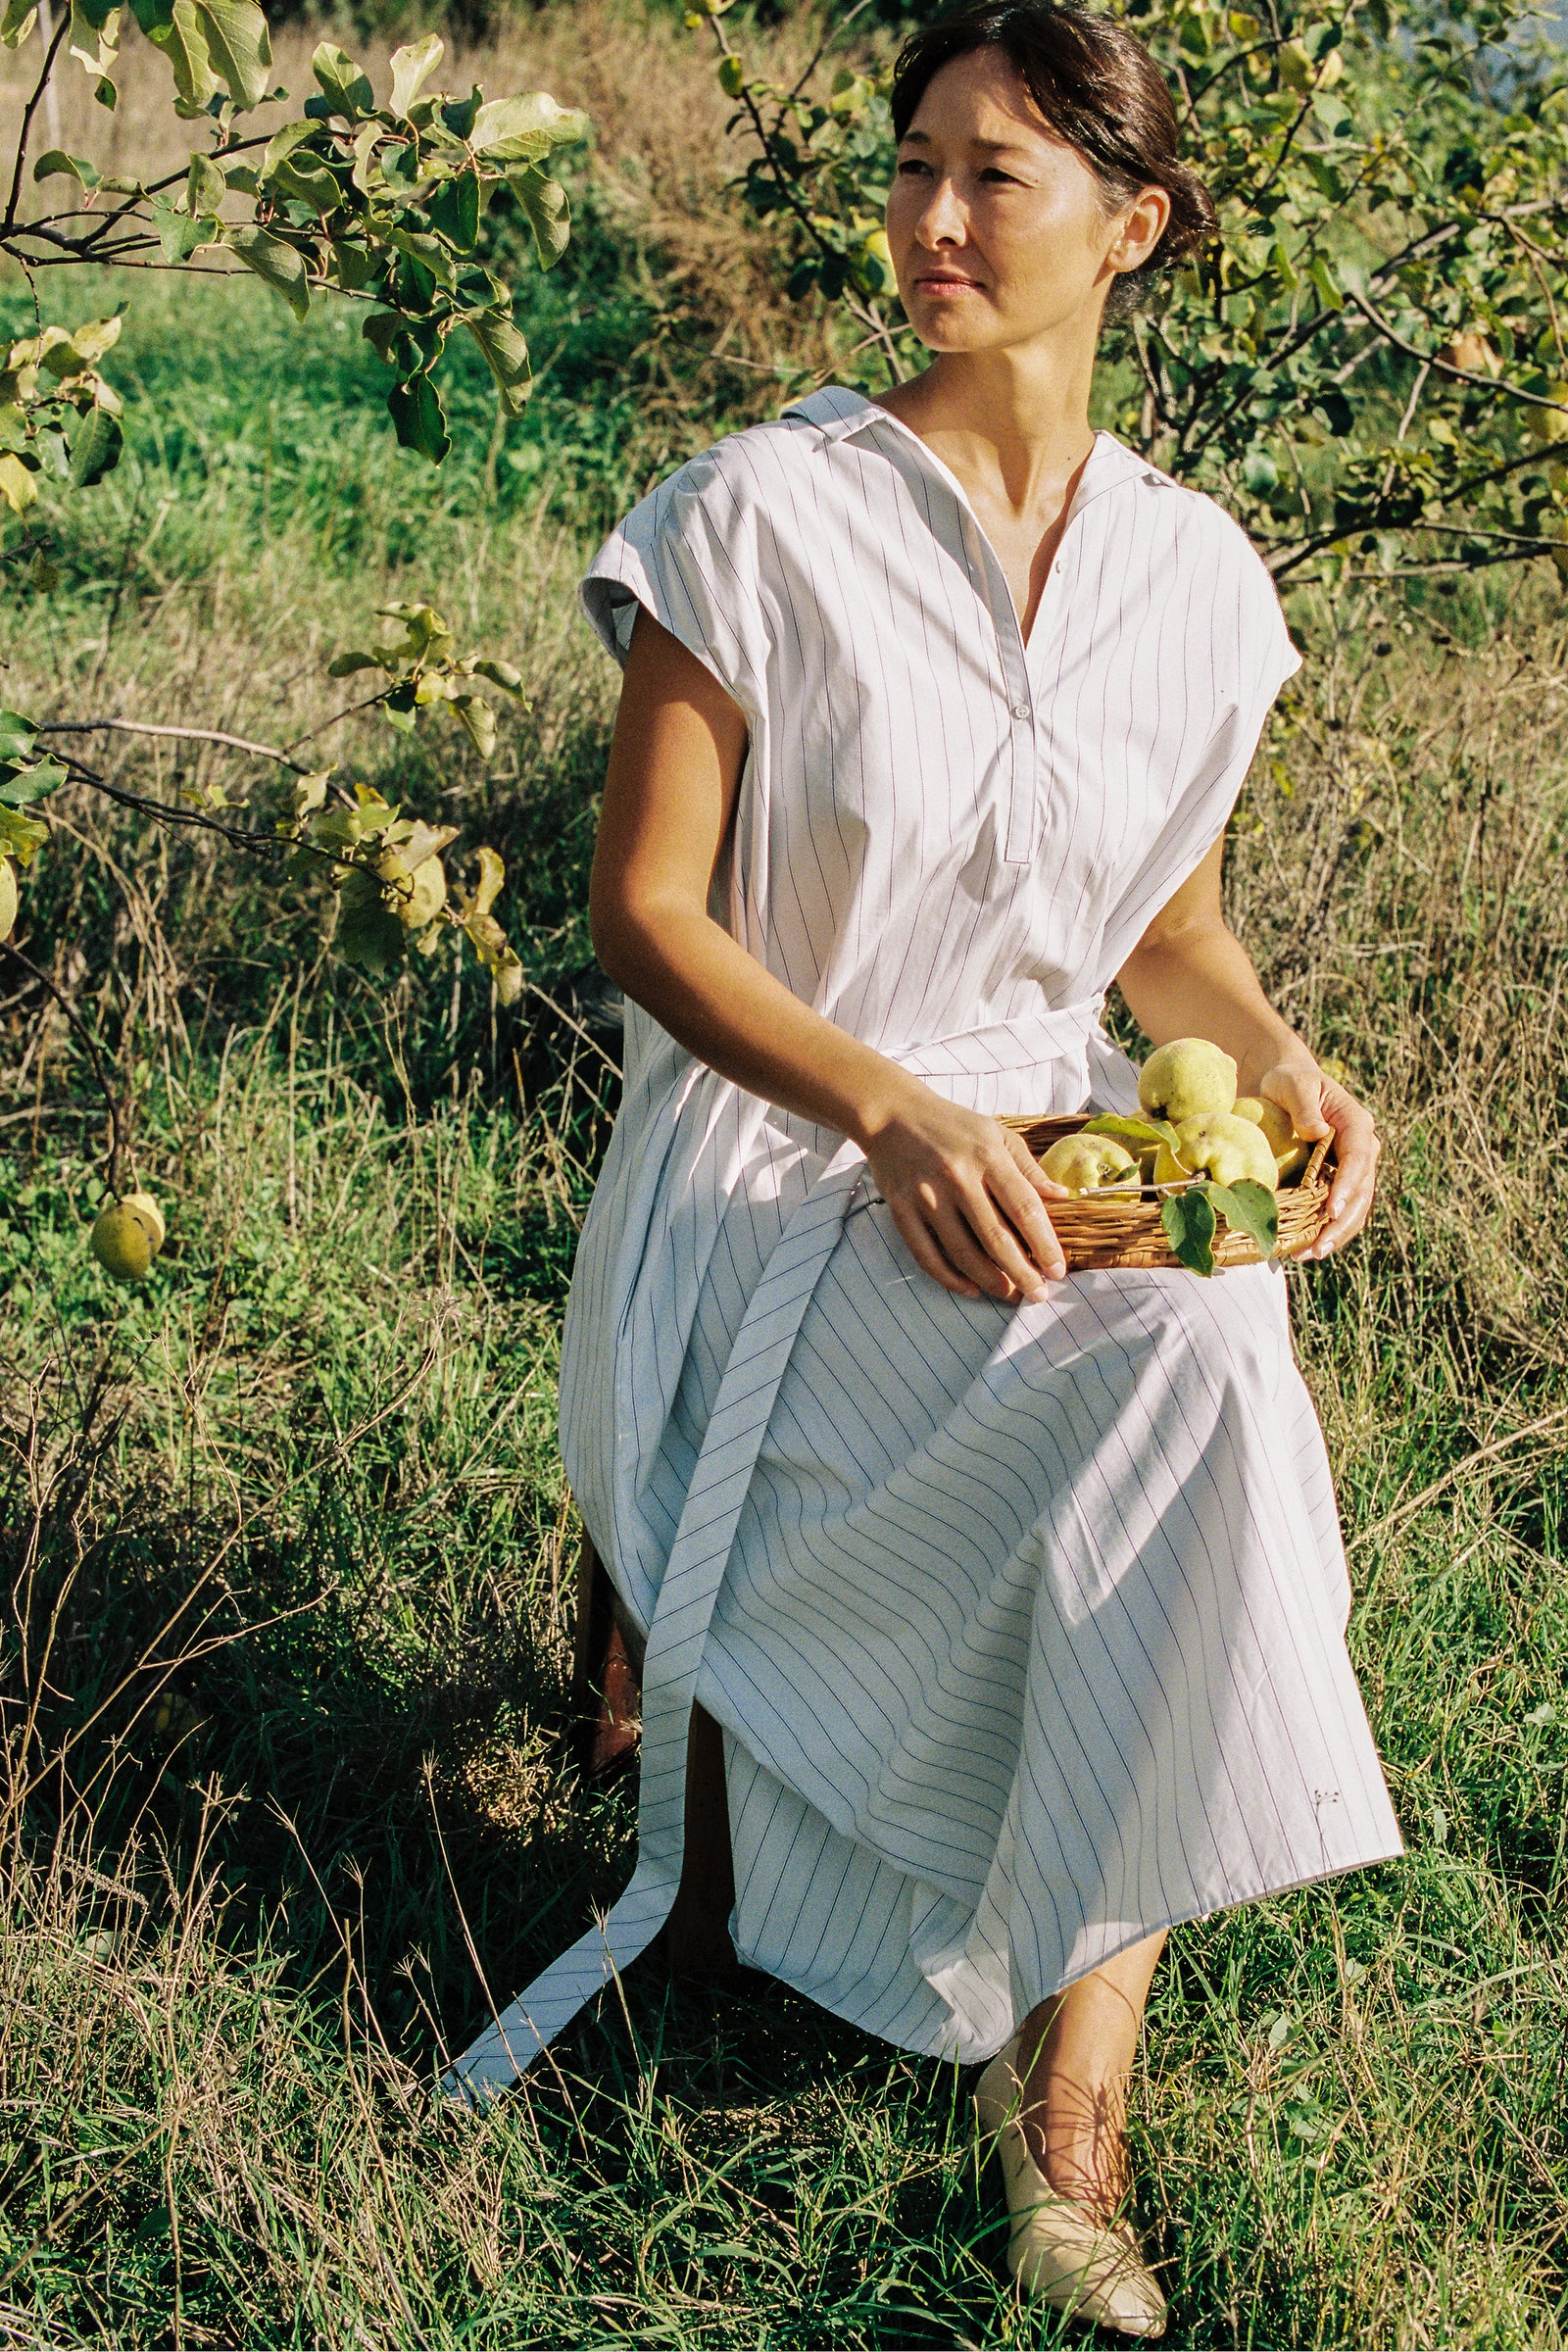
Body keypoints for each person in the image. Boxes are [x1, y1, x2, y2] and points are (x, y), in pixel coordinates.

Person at [447, 2, 1402, 2331]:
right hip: (777, 1157)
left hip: (1058, 1154)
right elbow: (645, 921)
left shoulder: (1193, 578)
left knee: (1206, 1344)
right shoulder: (752, 514)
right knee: (1179, 1369)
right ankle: (711, 1673)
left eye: (994, 174)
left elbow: (1158, 936)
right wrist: (884, 1107)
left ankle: (1064, 2140)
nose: (930, 217)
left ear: (1133, 226)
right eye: (911, 165)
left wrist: (1284, 1068)